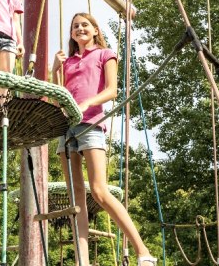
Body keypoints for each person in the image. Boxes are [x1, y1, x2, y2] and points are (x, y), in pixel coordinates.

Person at [52, 13, 157, 266]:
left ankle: (143, 251)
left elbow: (111, 91)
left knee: (99, 190)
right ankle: (82, 261)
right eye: (75, 26)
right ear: (71, 33)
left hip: (90, 125)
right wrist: (55, 69)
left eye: (85, 25)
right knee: (76, 198)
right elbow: (57, 96)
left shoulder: (104, 54)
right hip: (67, 128)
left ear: (95, 29)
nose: (80, 28)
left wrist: (88, 101)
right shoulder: (67, 62)